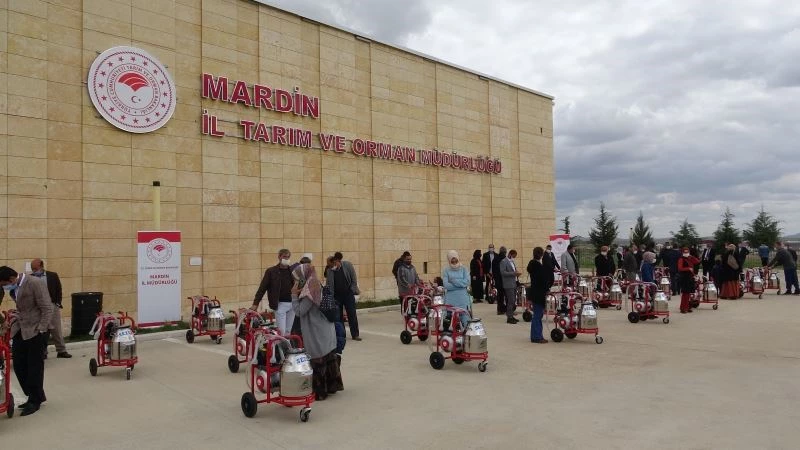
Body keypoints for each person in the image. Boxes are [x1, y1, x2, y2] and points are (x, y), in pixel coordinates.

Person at [0, 265, 53, 416]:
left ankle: (35, 400)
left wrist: (42, 328)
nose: (5, 288)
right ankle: (34, 395)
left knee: (34, 367)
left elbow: (46, 307)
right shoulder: (14, 287)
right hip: (21, 329)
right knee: (19, 365)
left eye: (4, 284)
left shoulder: (34, 283)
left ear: (11, 279)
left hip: (35, 330)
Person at [291, 263, 342, 401]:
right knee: (328, 356)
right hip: (325, 328)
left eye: (297, 278)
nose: (296, 281)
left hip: (317, 330)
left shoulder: (310, 291)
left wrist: (294, 296)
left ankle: (320, 392)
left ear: (303, 275)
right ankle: (332, 386)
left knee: (318, 359)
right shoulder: (315, 283)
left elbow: (299, 311)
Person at [30, 259, 71, 359]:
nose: (34, 270)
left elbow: (59, 289)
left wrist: (57, 303)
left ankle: (61, 351)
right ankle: (42, 351)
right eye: (32, 269)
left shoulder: (52, 276)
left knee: (56, 329)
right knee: (41, 330)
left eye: (35, 268)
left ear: (41, 266)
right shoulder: (30, 278)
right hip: (38, 308)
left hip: (52, 305)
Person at [252, 249, 294, 336]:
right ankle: (279, 347)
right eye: (284, 257)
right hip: (280, 304)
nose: (286, 259)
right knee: (281, 331)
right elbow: (262, 288)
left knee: (288, 331)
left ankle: (287, 348)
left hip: (292, 304)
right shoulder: (271, 271)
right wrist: (255, 303)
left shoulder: (292, 271)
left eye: (288, 257)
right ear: (279, 257)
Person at [328, 252, 361, 341]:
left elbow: (354, 279)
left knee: (352, 314)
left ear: (339, 261)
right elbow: (329, 284)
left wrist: (352, 289)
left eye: (335, 263)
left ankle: (355, 334)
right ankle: (342, 335)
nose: (334, 265)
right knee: (338, 317)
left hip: (348, 294)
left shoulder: (347, 265)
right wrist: (331, 297)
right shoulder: (330, 270)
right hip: (336, 297)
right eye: (332, 264)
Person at [527, 247, 549, 344]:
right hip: (539, 293)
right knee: (538, 315)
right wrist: (547, 288)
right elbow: (543, 280)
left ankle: (535, 335)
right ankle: (536, 336)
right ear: (541, 255)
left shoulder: (531, 265)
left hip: (534, 292)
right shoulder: (539, 267)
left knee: (537, 314)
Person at [442, 251, 471, 320]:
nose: (454, 262)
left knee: (465, 321)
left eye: (455, 260)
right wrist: (461, 285)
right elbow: (446, 285)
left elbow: (466, 282)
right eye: (452, 261)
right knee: (450, 322)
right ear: (449, 260)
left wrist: (453, 280)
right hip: (450, 300)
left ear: (458, 258)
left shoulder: (464, 269)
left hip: (462, 300)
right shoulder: (446, 270)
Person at [500, 249, 521, 324]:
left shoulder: (512, 261)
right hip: (508, 284)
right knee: (510, 301)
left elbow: (513, 270)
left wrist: (517, 273)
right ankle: (509, 317)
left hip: (514, 283)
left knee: (513, 301)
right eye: (514, 256)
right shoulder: (503, 261)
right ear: (510, 254)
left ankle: (511, 315)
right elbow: (503, 273)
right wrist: (513, 273)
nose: (514, 258)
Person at [677, 247, 701, 313]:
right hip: (684, 277)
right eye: (685, 252)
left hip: (690, 277)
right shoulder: (681, 259)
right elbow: (680, 268)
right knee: (685, 293)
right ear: (682, 252)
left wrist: (692, 257)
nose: (686, 253)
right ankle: (683, 308)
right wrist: (688, 268)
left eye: (687, 252)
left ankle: (687, 307)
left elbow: (697, 261)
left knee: (689, 293)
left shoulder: (690, 258)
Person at [492, 247, 508, 315]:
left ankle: (500, 310)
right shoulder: (506, 259)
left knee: (500, 295)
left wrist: (495, 278)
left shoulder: (495, 259)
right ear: (505, 252)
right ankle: (508, 310)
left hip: (498, 280)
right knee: (507, 296)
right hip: (505, 280)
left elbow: (493, 270)